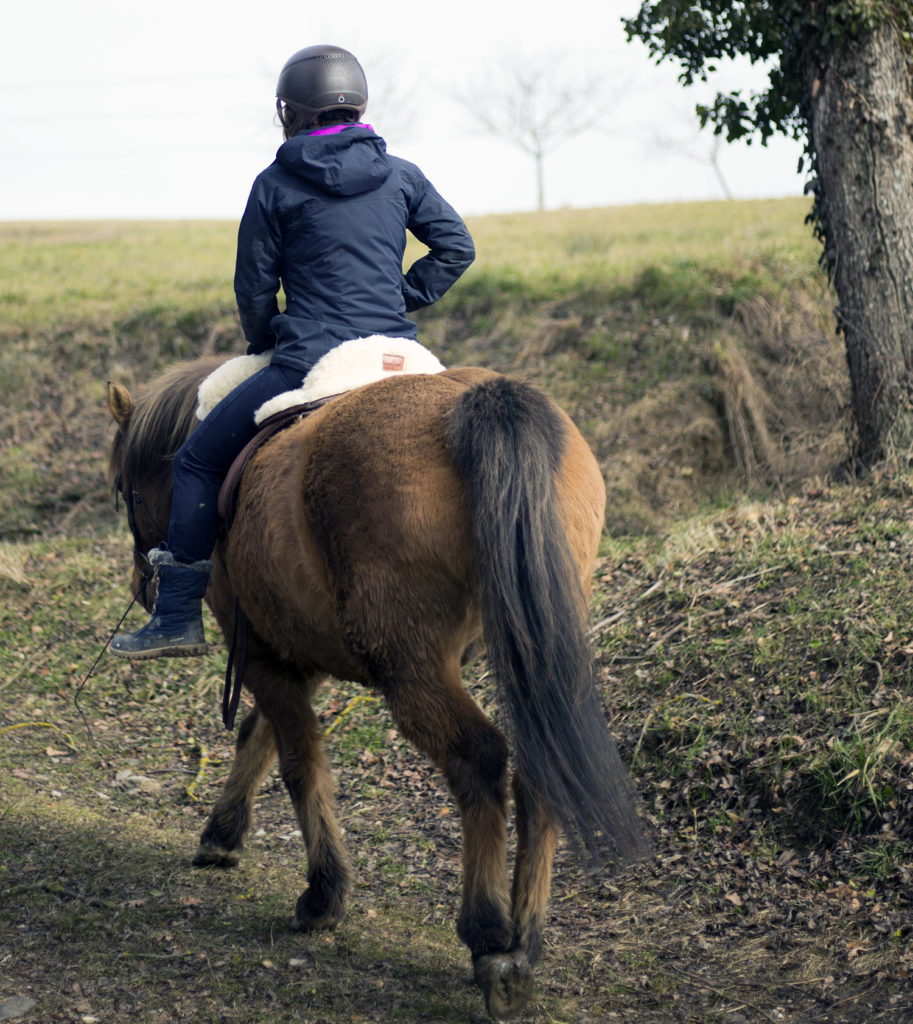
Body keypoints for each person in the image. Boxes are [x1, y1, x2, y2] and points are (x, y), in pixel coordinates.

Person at [110, 44, 475, 659]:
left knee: (197, 460)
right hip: (394, 351)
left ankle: (175, 616)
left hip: (309, 358)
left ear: (291, 113)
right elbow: (456, 248)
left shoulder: (275, 183)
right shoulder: (403, 175)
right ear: (360, 106)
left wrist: (268, 337)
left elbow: (253, 287)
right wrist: (399, 298)